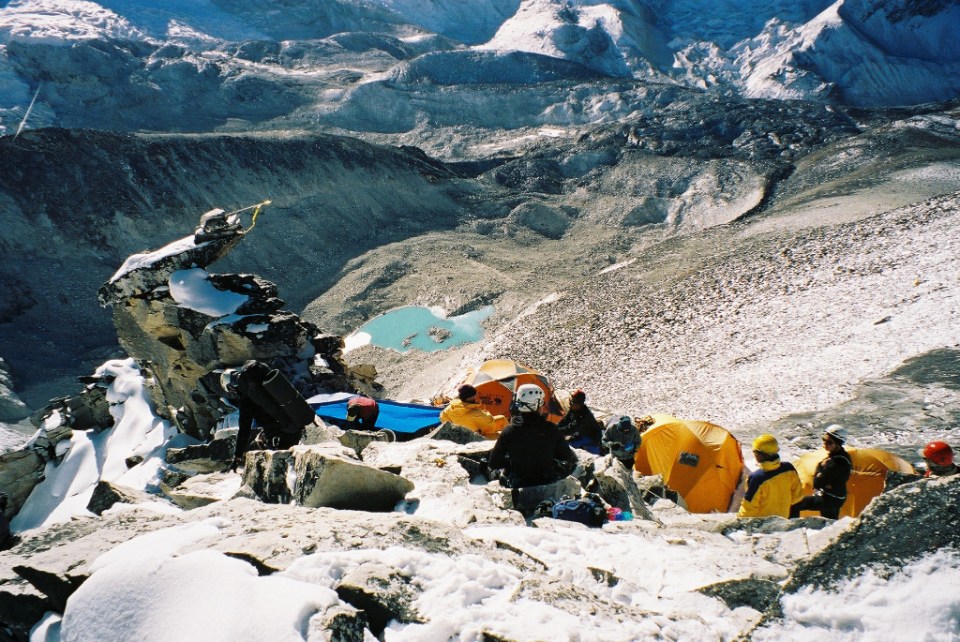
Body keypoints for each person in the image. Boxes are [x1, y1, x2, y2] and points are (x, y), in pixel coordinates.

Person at [488, 383, 577, 501]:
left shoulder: (508, 431)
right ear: (537, 405)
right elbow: (566, 456)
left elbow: (494, 463)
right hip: (547, 480)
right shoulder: (551, 429)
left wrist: (512, 462)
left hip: (519, 482)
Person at [221, 360, 312, 471]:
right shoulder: (261, 383)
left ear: (232, 387)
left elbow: (244, 429)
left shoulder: (247, 399)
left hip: (283, 432)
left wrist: (237, 456)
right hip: (295, 418)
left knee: (278, 468)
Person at [789, 425, 853, 519]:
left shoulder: (836, 463)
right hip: (836, 497)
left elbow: (817, 482)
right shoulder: (843, 456)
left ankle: (792, 529)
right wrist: (821, 468)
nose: (824, 444)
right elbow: (822, 479)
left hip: (829, 499)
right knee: (830, 520)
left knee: (794, 504)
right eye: (824, 439)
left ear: (838, 444)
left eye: (829, 442)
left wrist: (820, 470)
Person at [738, 434, 804, 518]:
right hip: (783, 520)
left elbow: (748, 510)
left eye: (754, 452)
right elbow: (797, 497)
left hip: (762, 525)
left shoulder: (756, 478)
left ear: (760, 454)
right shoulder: (789, 468)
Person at [439, 384, 508, 438]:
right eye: (474, 396)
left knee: (501, 418)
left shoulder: (451, 407)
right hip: (477, 438)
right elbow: (490, 425)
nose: (476, 397)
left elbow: (442, 417)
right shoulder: (476, 413)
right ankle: (513, 437)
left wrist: (456, 429)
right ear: (469, 398)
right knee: (502, 435)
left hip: (463, 435)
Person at [556, 389, 603, 454]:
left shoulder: (585, 416)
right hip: (580, 434)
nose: (569, 403)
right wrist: (555, 427)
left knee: (568, 445)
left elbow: (572, 428)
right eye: (569, 401)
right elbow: (565, 420)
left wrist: (557, 432)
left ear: (578, 404)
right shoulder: (574, 410)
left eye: (572, 402)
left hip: (591, 439)